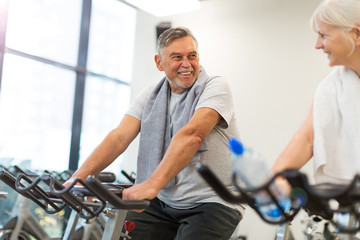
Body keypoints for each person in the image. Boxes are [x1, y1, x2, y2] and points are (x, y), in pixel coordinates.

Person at [66, 26, 243, 239]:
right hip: (164, 200)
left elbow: (193, 135)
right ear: (159, 62)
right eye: (177, 57)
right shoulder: (150, 96)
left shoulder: (214, 87)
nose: (186, 64)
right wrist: (79, 177)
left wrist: (151, 185)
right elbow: (119, 137)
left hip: (214, 201)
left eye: (192, 56)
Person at [272, 0, 360, 184]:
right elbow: (307, 138)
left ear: (356, 34)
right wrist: (274, 180)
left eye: (323, 35)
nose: (318, 45)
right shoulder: (333, 85)